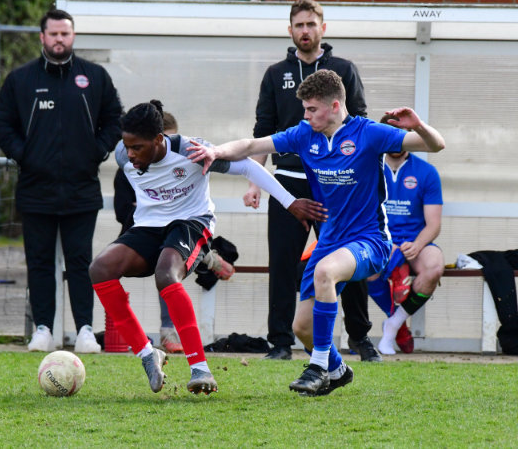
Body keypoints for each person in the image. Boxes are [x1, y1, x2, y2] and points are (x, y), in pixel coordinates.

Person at [188, 70, 445, 396]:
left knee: (325, 272)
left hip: (370, 241)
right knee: (302, 328)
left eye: (312, 109)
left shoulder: (368, 133)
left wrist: (418, 125)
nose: (306, 115)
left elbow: (436, 145)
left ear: (335, 106)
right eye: (305, 109)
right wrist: (215, 152)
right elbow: (253, 144)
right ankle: (337, 369)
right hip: (331, 242)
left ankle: (318, 367)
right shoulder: (304, 134)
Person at [89, 100, 320, 395]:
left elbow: (246, 166)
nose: (130, 154)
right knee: (100, 269)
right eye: (127, 147)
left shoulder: (192, 151)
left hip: (191, 222)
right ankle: (147, 354)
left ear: (158, 140)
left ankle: (200, 368)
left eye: (138, 148)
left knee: (165, 274)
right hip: (148, 226)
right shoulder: (125, 155)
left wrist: (289, 202)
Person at [244, 0, 380, 362]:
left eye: (311, 24)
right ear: (290, 30)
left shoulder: (343, 69)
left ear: (323, 28)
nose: (305, 31)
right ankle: (280, 342)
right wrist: (255, 182)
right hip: (287, 183)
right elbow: (263, 131)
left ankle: (360, 338)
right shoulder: (275, 74)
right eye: (299, 25)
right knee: (282, 263)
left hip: (335, 183)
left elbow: (360, 122)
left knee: (346, 259)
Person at [0, 9, 122, 353]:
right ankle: (43, 330)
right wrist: (26, 154)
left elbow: (114, 120)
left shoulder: (94, 77)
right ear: (42, 37)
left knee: (81, 263)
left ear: (73, 36)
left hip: (82, 189)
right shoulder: (21, 79)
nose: (59, 39)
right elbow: (0, 124)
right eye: (53, 34)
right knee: (39, 263)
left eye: (65, 33)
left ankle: (85, 331)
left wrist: (96, 151)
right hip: (36, 189)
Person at [367, 114, 445, 355]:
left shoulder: (426, 172)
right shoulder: (368, 168)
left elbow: (434, 225)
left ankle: (394, 323)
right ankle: (399, 329)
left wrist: (418, 244)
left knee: (434, 267)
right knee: (368, 268)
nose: (394, 140)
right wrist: (384, 241)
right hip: (380, 239)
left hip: (415, 242)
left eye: (400, 135)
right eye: (389, 134)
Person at [113, 111, 183, 353]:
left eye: (174, 141)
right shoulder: (129, 166)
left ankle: (169, 332)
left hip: (174, 234)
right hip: (139, 234)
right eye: (165, 140)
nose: (168, 148)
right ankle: (131, 337)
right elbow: (122, 209)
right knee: (103, 270)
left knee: (168, 271)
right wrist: (149, 209)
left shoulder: (180, 164)